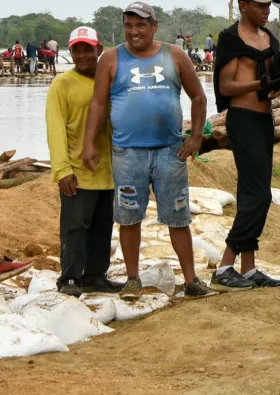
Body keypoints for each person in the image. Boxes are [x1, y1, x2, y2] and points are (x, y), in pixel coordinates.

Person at [81, 2, 215, 301]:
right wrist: (89, 144)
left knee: (178, 218)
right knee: (129, 218)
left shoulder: (174, 55)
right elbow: (99, 104)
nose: (134, 31)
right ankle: (132, 279)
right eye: (128, 25)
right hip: (128, 154)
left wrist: (195, 137)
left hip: (171, 152)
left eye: (141, 25)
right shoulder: (112, 58)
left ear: (154, 26)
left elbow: (198, 96)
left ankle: (191, 280)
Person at [209, 0, 280, 292]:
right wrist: (260, 83)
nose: (266, 10)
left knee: (251, 193)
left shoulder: (269, 38)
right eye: (260, 5)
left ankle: (249, 267)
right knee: (259, 195)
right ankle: (225, 265)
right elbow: (226, 86)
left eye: (268, 5)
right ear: (243, 5)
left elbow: (275, 83)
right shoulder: (231, 38)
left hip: (264, 119)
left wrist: (276, 84)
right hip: (242, 119)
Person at [46, 26, 124, 297]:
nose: (81, 55)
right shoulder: (62, 84)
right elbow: (55, 129)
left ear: (98, 50)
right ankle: (69, 278)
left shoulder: (111, 81)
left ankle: (94, 276)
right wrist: (62, 169)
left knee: (103, 226)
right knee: (75, 227)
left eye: (87, 49)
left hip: (108, 170)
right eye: (76, 49)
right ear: (70, 52)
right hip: (77, 172)